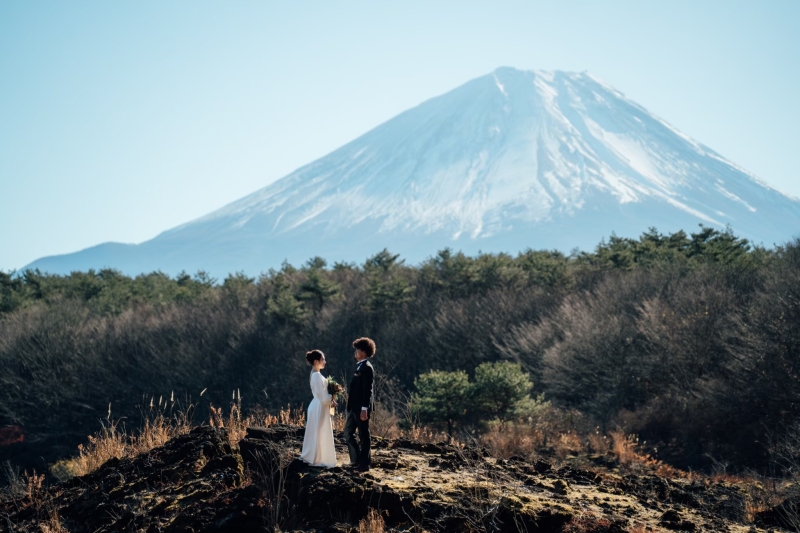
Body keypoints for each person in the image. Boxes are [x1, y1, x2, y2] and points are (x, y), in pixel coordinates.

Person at [299, 349, 337, 468]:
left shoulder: (316, 374)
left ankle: (318, 456)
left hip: (319, 405)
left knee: (319, 431)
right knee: (319, 431)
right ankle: (316, 457)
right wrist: (331, 398)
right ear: (316, 361)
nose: (325, 362)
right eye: (323, 359)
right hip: (319, 407)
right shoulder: (316, 375)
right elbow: (323, 396)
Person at [343, 337, 376, 472]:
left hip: (361, 408)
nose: (355, 352)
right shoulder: (359, 366)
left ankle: (364, 463)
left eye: (357, 350)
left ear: (364, 351)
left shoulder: (367, 368)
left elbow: (368, 390)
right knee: (347, 432)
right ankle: (356, 460)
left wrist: (364, 408)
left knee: (364, 435)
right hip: (353, 408)